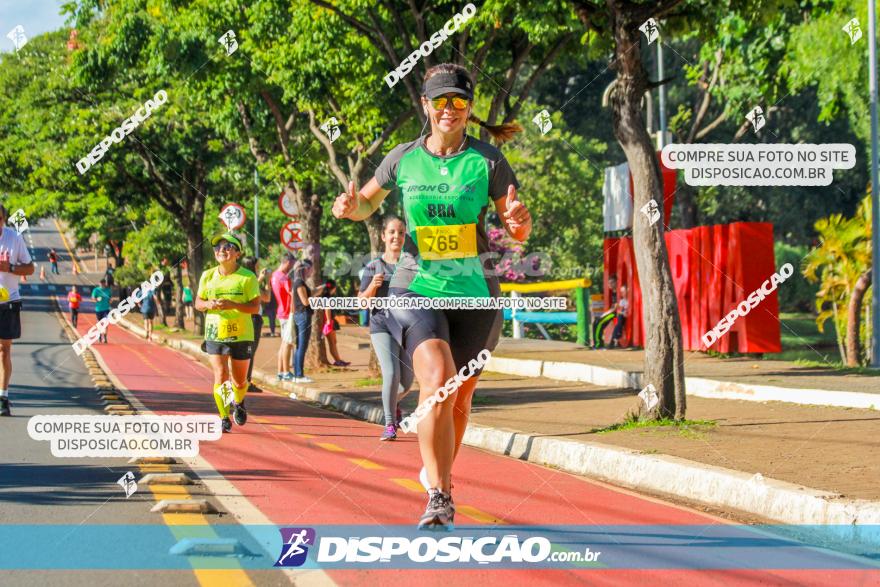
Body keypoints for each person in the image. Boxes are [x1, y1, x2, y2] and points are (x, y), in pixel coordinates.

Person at [332, 63, 531, 530]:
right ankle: (439, 496)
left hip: (475, 292)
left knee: (459, 400)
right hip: (414, 286)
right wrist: (349, 208)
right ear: (425, 105)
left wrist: (520, 221)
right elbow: (366, 202)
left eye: (458, 102)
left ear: (469, 107)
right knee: (437, 379)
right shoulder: (403, 158)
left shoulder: (487, 161)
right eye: (439, 101)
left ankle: (438, 471)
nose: (448, 110)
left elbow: (516, 227)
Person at [194, 233, 260, 433]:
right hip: (215, 332)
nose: (222, 250)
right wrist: (208, 304)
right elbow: (198, 303)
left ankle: (238, 402)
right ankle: (223, 416)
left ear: (237, 253)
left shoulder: (247, 277)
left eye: (228, 246)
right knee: (221, 375)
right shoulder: (208, 276)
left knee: (240, 381)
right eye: (218, 247)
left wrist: (232, 304)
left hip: (241, 334)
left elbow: (255, 307)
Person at [358, 215, 413, 441]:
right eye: (392, 232)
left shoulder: (412, 265)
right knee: (391, 373)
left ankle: (392, 403)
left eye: (401, 233)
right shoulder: (373, 266)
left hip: (408, 326)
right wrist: (372, 286)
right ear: (383, 236)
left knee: (407, 381)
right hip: (382, 325)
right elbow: (361, 301)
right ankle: (389, 423)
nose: (396, 237)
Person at [0, 203, 35, 416]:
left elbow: (30, 268)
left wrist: (10, 268)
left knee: (4, 350)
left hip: (8, 302)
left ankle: (3, 397)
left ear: (3, 219)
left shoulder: (13, 238)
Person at [241, 256, 270, 393]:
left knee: (245, 350)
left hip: (244, 317)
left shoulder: (239, 277)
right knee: (250, 351)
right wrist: (266, 281)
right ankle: (246, 381)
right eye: (257, 266)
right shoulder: (251, 280)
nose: (259, 268)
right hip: (253, 318)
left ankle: (243, 380)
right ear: (252, 266)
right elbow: (266, 297)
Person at [271, 253, 297, 381]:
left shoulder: (275, 275)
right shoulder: (284, 278)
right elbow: (292, 293)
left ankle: (281, 371)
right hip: (287, 313)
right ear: (288, 262)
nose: (292, 267)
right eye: (292, 264)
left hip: (281, 311)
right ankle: (286, 372)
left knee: (283, 343)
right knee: (288, 343)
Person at [291, 259, 314, 384]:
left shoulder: (299, 282)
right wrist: (319, 302)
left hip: (300, 315)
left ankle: (298, 374)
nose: (311, 271)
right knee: (301, 346)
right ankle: (299, 375)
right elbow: (305, 301)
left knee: (300, 345)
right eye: (310, 269)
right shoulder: (299, 283)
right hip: (303, 315)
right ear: (305, 269)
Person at [319, 279, 349, 367]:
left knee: (333, 342)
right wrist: (329, 321)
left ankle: (338, 359)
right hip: (329, 322)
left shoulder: (323, 297)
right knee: (332, 343)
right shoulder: (328, 298)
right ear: (334, 288)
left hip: (328, 321)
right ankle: (338, 360)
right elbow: (327, 309)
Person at [91, 278, 113, 344]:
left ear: (104, 283)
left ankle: (105, 337)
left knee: (105, 323)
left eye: (103, 283)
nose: (102, 284)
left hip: (106, 309)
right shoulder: (96, 290)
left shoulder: (108, 290)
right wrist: (97, 299)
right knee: (99, 323)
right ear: (99, 283)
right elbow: (93, 299)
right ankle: (100, 335)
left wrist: (110, 301)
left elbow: (110, 298)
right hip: (98, 309)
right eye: (101, 283)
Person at [610, 284, 629, 349]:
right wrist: (623, 313)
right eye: (621, 292)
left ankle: (615, 339)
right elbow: (619, 310)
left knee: (619, 323)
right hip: (622, 316)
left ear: (627, 290)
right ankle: (615, 339)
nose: (622, 293)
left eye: (624, 291)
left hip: (627, 316)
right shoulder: (622, 301)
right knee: (620, 320)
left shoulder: (630, 300)